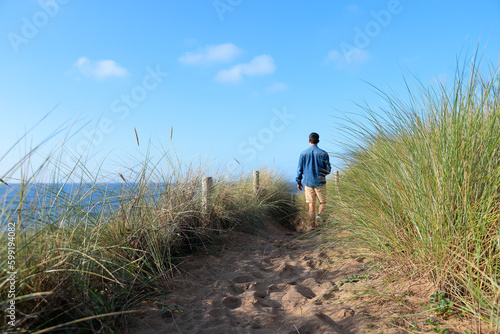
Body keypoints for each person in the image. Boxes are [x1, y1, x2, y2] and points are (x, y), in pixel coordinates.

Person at [296, 132, 331, 230]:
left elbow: (299, 169)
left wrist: (298, 181)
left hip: (308, 182)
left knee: (311, 205)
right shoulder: (323, 153)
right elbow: (328, 170)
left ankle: (313, 227)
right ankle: (319, 215)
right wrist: (322, 174)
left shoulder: (303, 153)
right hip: (320, 182)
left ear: (309, 141)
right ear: (318, 141)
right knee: (323, 202)